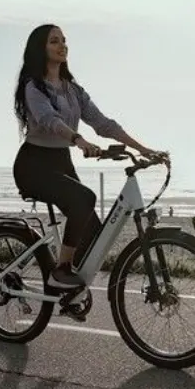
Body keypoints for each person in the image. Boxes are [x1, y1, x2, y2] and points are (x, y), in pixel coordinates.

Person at [12, 23, 163, 290]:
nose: (62, 45)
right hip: (33, 165)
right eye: (54, 41)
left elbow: (103, 124)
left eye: (64, 40)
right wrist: (78, 140)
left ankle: (69, 292)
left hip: (60, 161)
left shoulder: (73, 90)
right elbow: (49, 120)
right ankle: (61, 269)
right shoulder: (33, 86)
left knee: (92, 231)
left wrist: (143, 148)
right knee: (85, 198)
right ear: (40, 49)